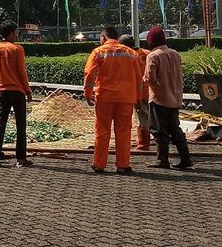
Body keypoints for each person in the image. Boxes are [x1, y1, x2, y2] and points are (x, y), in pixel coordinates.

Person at [83, 26, 141, 174]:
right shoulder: (132, 54)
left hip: (104, 98)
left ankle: (99, 164)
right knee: (123, 133)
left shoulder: (98, 52)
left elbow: (89, 74)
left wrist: (88, 93)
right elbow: (138, 78)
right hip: (126, 99)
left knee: (102, 132)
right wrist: (138, 98)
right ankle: (123, 165)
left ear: (103, 37)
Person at [143, 26, 194, 169]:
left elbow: (150, 78)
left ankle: (162, 160)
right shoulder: (175, 53)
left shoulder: (153, 56)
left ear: (150, 41)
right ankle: (186, 160)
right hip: (175, 97)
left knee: (159, 130)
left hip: (159, 98)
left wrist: (144, 79)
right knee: (175, 129)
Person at [0, 21, 33, 168]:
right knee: (21, 125)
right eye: (16, 32)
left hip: (2, 91)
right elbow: (22, 72)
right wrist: (27, 91)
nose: (17, 35)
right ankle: (21, 158)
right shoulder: (17, 49)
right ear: (11, 32)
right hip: (17, 91)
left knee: (1, 123)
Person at [118, 34, 152, 150]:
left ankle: (143, 144)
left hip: (138, 92)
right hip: (152, 91)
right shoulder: (148, 53)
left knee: (141, 117)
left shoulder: (129, 56)